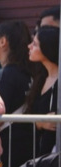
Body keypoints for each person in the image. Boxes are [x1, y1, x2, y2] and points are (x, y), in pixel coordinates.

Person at [0, 20, 34, 167]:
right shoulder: (27, 72)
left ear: (3, 42)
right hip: (25, 144)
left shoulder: (6, 75)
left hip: (9, 148)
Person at [26, 25, 59, 158]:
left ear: (48, 49)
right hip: (38, 157)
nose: (29, 46)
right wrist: (40, 123)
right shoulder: (39, 78)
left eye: (34, 44)